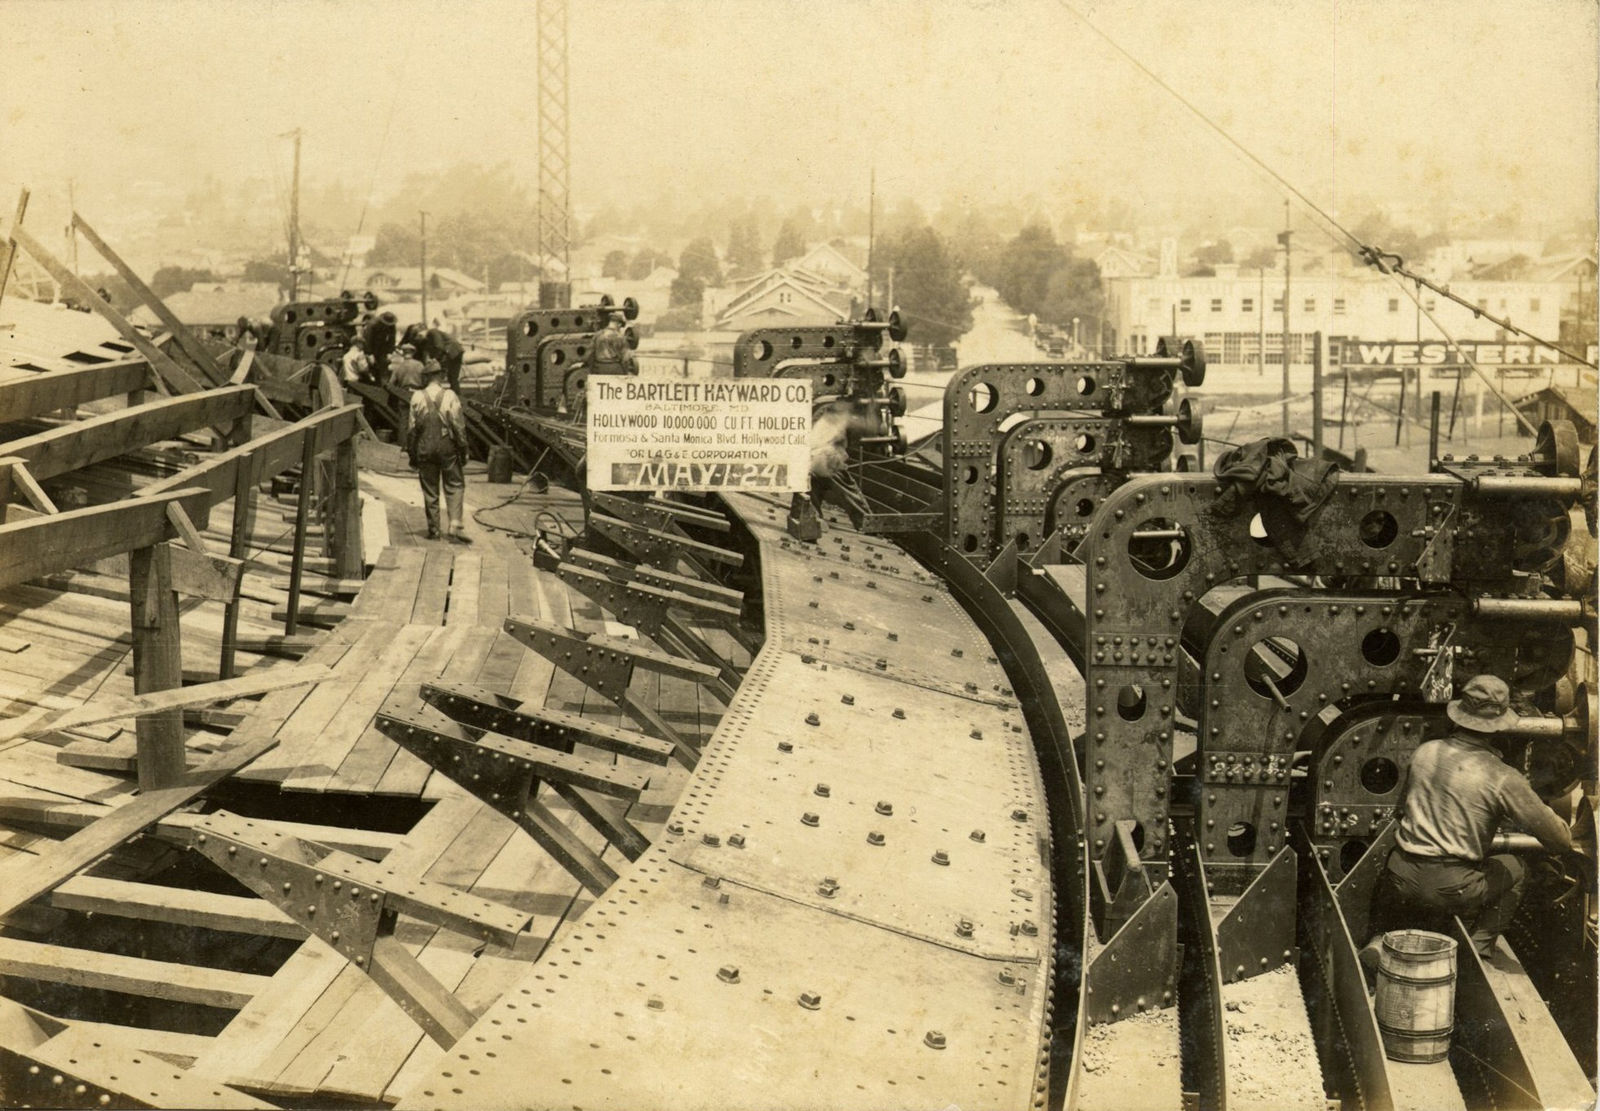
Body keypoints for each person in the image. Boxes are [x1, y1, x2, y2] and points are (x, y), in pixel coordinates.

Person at [1372, 674, 1575, 959]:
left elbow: (1402, 809)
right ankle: (1477, 950)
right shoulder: (1502, 776)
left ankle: (1379, 938)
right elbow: (1560, 841)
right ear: (1499, 725)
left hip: (1399, 875)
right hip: (1450, 887)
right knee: (1516, 868)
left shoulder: (1424, 752)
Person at [406, 361, 470, 543]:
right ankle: (454, 524)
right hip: (446, 445)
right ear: (440, 376)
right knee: (455, 484)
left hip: (424, 446)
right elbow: (458, 426)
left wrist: (412, 454)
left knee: (430, 488)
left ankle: (434, 530)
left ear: (426, 377)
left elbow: (411, 430)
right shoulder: (450, 395)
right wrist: (463, 448)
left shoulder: (417, 396)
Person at [404, 323, 465, 393]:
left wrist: (434, 360)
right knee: (451, 377)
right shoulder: (428, 337)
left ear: (420, 333)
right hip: (453, 352)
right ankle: (454, 393)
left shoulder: (432, 332)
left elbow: (439, 347)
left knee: (448, 376)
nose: (420, 339)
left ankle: (452, 393)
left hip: (453, 351)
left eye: (419, 337)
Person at [362, 310, 399, 386]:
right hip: (372, 347)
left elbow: (392, 339)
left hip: (382, 348)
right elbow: (368, 340)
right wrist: (369, 354)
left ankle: (384, 385)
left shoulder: (392, 325)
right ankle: (373, 384)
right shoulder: (372, 325)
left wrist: (390, 352)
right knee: (372, 367)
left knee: (384, 366)